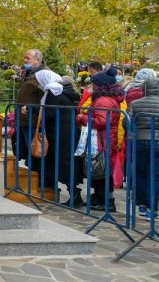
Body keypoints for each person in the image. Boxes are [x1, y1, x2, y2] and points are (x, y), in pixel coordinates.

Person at [79, 71, 127, 212]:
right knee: (101, 168)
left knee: (100, 168)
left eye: (93, 83)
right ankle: (100, 197)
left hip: (102, 138)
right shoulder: (107, 98)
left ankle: (106, 201)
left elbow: (101, 121)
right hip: (104, 137)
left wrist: (83, 118)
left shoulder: (103, 100)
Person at [34, 69, 82, 205]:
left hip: (59, 134)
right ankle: (74, 193)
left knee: (62, 163)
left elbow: (49, 113)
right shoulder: (63, 90)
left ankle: (74, 194)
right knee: (66, 162)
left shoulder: (53, 92)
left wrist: (34, 109)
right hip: (67, 132)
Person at [127, 71, 159, 217]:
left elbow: (127, 122)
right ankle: (152, 208)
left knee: (140, 173)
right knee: (156, 175)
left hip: (138, 140)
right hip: (158, 141)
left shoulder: (135, 103)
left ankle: (141, 205)